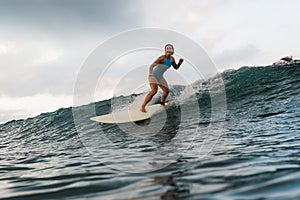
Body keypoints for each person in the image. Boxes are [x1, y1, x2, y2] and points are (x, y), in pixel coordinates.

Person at [140, 44, 184, 113]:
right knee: (154, 91)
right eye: (167, 48)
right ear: (165, 50)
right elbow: (152, 66)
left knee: (166, 90)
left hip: (160, 76)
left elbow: (176, 67)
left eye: (170, 48)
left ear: (172, 51)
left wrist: (180, 63)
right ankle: (143, 106)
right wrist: (150, 74)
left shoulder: (172, 59)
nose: (168, 49)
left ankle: (162, 104)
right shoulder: (162, 58)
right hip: (153, 75)